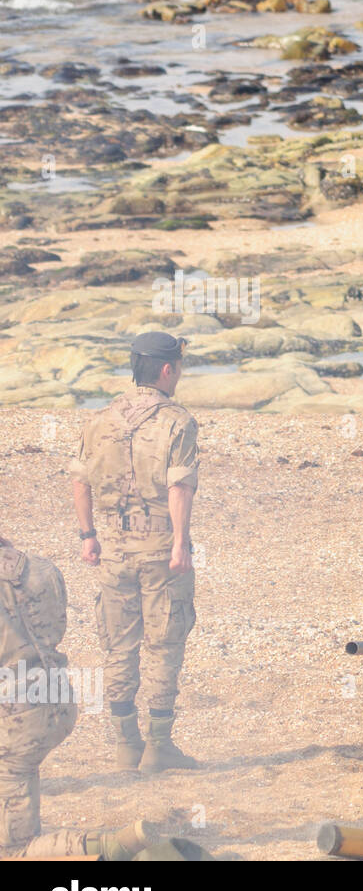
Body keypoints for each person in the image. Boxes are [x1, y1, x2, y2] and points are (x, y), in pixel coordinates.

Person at [70, 331, 200, 773]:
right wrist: (180, 544)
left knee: (118, 646)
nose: (180, 374)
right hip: (161, 547)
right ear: (167, 370)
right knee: (164, 643)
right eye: (179, 367)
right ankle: (159, 746)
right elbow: (179, 485)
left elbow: (80, 481)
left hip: (113, 550)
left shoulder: (100, 417)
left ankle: (126, 744)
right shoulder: (177, 421)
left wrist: (88, 536)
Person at [0, 534, 157, 859]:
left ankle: (101, 853)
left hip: (14, 719)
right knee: (19, 774)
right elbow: (54, 629)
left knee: (12, 849)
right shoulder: (41, 568)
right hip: (56, 700)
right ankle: (116, 843)